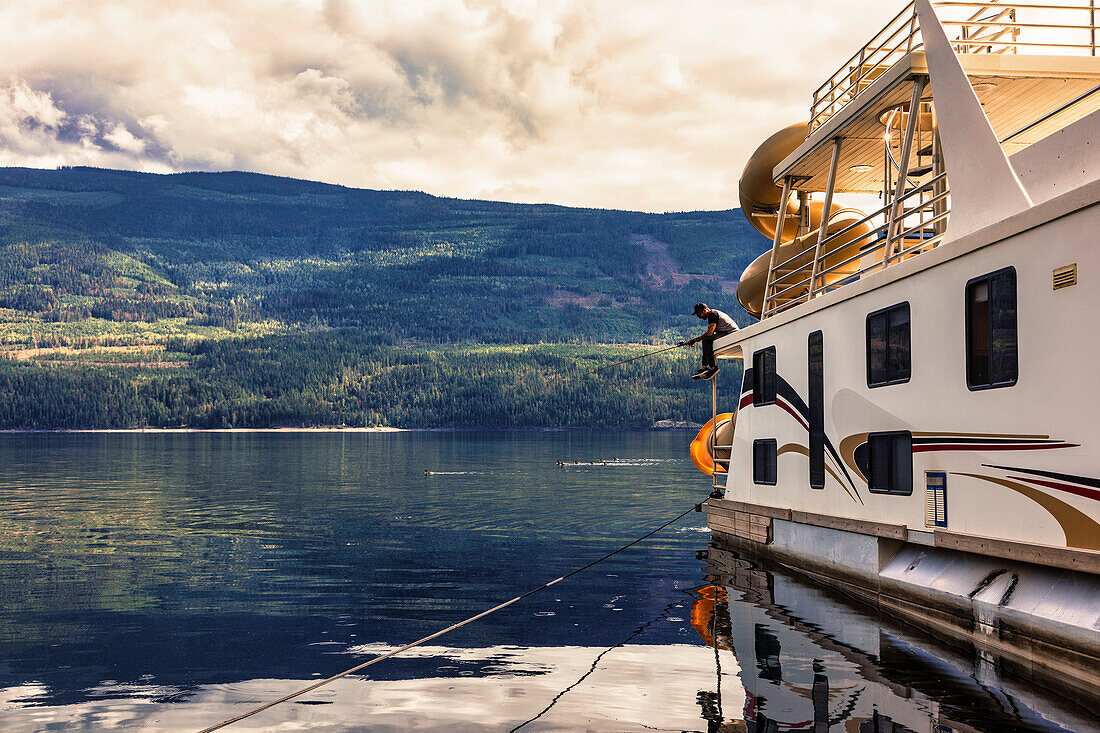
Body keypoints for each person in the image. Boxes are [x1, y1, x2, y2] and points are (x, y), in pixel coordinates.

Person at [685, 303, 738, 380]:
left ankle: (713, 368)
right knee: (706, 340)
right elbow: (710, 333)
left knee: (706, 340)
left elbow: (709, 333)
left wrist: (694, 340)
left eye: (699, 315)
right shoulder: (712, 314)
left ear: (704, 310)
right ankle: (704, 368)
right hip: (726, 333)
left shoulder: (712, 315)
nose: (699, 317)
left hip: (731, 334)